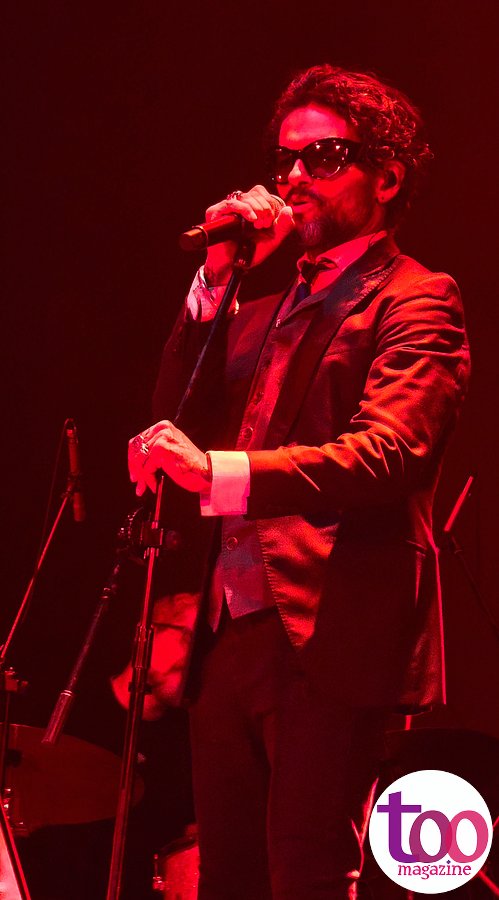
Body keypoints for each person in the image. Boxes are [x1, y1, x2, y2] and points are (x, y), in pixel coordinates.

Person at [127, 65, 470, 899]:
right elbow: (176, 411)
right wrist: (217, 278)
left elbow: (389, 452)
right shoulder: (258, 311)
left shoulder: (415, 299)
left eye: (324, 157)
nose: (293, 176)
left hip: (330, 627)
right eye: (286, 159)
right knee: (228, 877)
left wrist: (219, 471)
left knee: (307, 869)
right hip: (227, 635)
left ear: (386, 177)